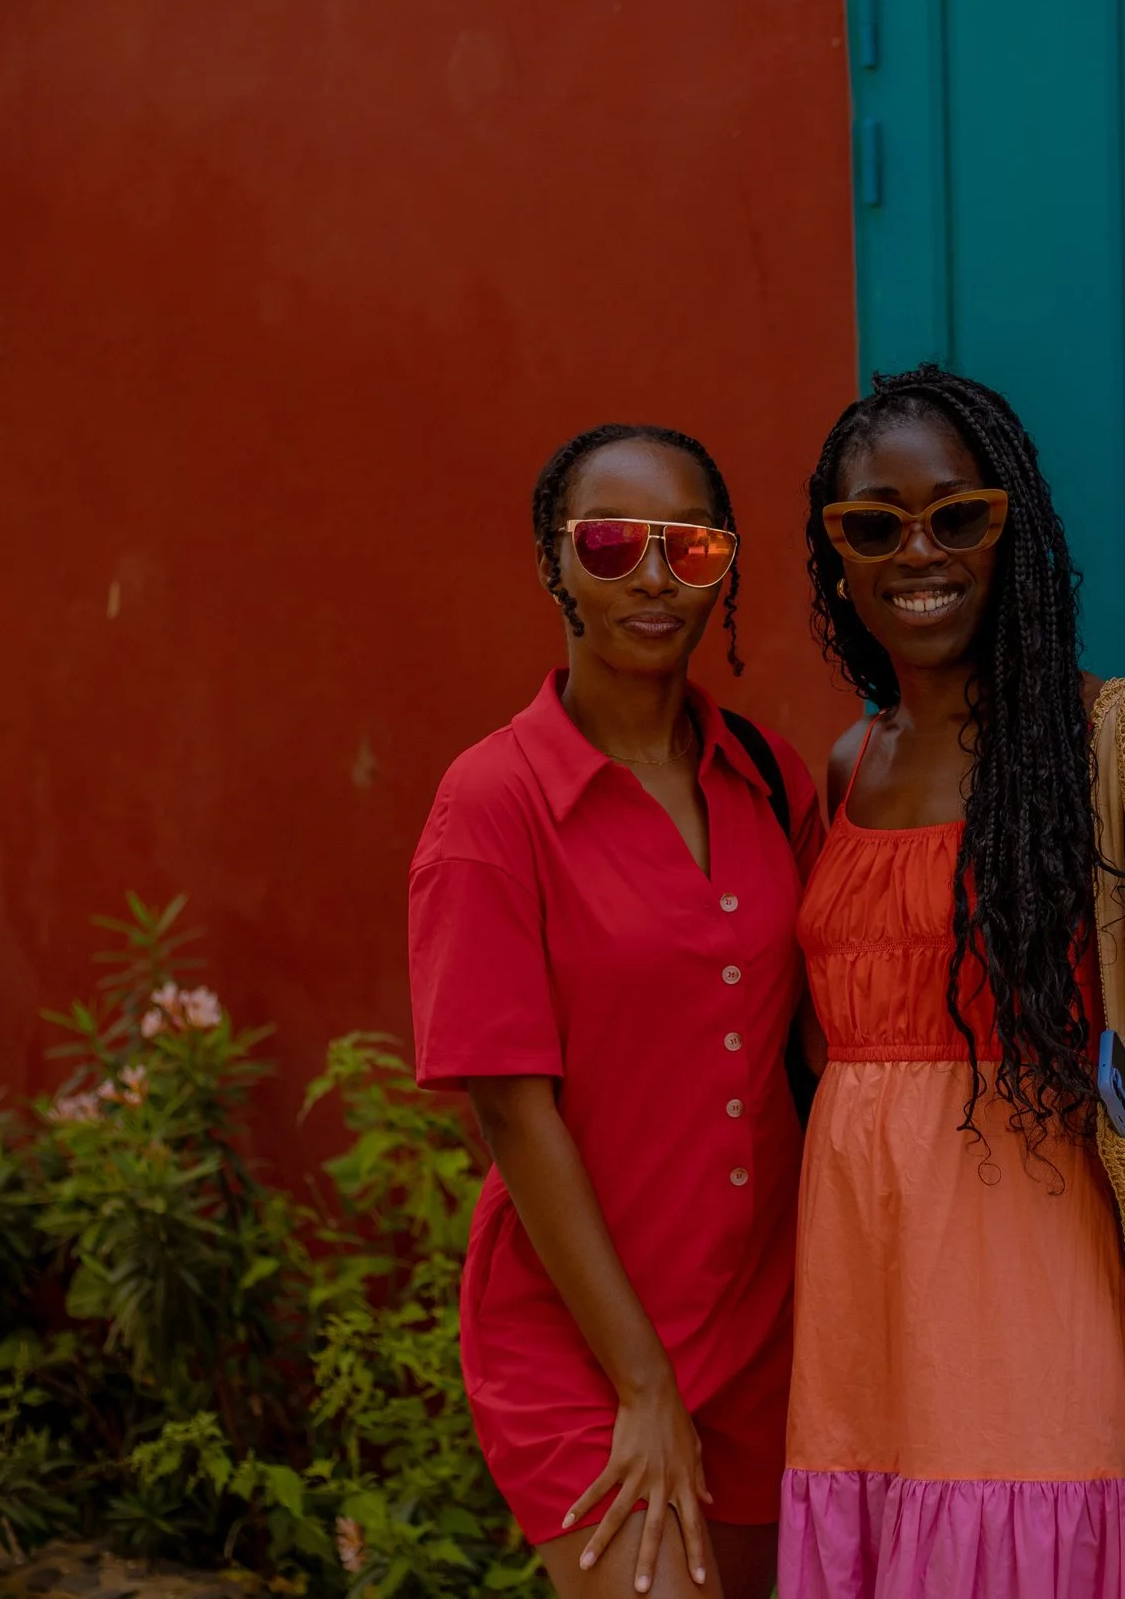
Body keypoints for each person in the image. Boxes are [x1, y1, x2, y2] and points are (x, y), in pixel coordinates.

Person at [779, 368, 1125, 1598]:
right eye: (874, 524)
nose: (920, 551)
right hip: (864, 1343)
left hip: (1044, 1327)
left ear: (1013, 527)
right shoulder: (848, 762)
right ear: (835, 556)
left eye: (957, 516)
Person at [409, 424, 821, 1599]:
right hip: (584, 1339)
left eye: (688, 547)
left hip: (767, 1334)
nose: (652, 575)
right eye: (610, 543)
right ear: (554, 564)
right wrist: (641, 1382)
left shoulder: (770, 774)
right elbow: (509, 1109)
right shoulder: (493, 804)